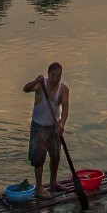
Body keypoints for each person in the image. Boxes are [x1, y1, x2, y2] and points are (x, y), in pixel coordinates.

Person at [22, 62, 70, 194]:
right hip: (39, 126)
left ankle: (53, 182)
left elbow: (65, 108)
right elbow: (25, 89)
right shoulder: (40, 85)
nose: (56, 78)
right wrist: (35, 81)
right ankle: (39, 186)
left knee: (55, 156)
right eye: (53, 75)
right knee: (39, 159)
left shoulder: (64, 89)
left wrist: (62, 124)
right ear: (48, 74)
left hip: (54, 128)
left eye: (58, 76)